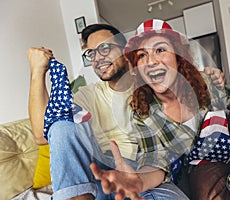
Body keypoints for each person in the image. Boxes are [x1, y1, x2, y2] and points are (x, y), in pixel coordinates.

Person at [121, 19, 230, 200]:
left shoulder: (201, 81)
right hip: (199, 164)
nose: (150, 61)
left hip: (229, 134)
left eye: (160, 49)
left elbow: (229, 96)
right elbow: (155, 160)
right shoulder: (141, 113)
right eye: (141, 55)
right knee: (213, 195)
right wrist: (139, 180)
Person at [27, 24, 192, 200]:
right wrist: (37, 71)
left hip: (141, 171)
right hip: (95, 173)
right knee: (62, 123)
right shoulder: (88, 95)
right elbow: (41, 134)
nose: (97, 58)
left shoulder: (151, 85)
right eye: (92, 53)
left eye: (104, 48)